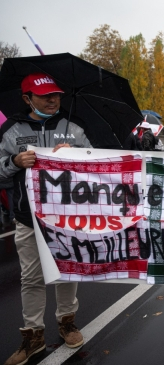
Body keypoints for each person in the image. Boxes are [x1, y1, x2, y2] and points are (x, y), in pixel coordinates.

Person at [0, 73, 92, 365]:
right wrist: (14, 162)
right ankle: (33, 336)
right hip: (28, 218)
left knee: (67, 270)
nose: (53, 100)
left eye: (56, 95)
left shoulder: (73, 127)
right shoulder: (12, 130)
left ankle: (67, 322)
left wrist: (76, 156)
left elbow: (97, 166)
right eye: (44, 96)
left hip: (67, 218)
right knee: (31, 278)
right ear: (27, 98)